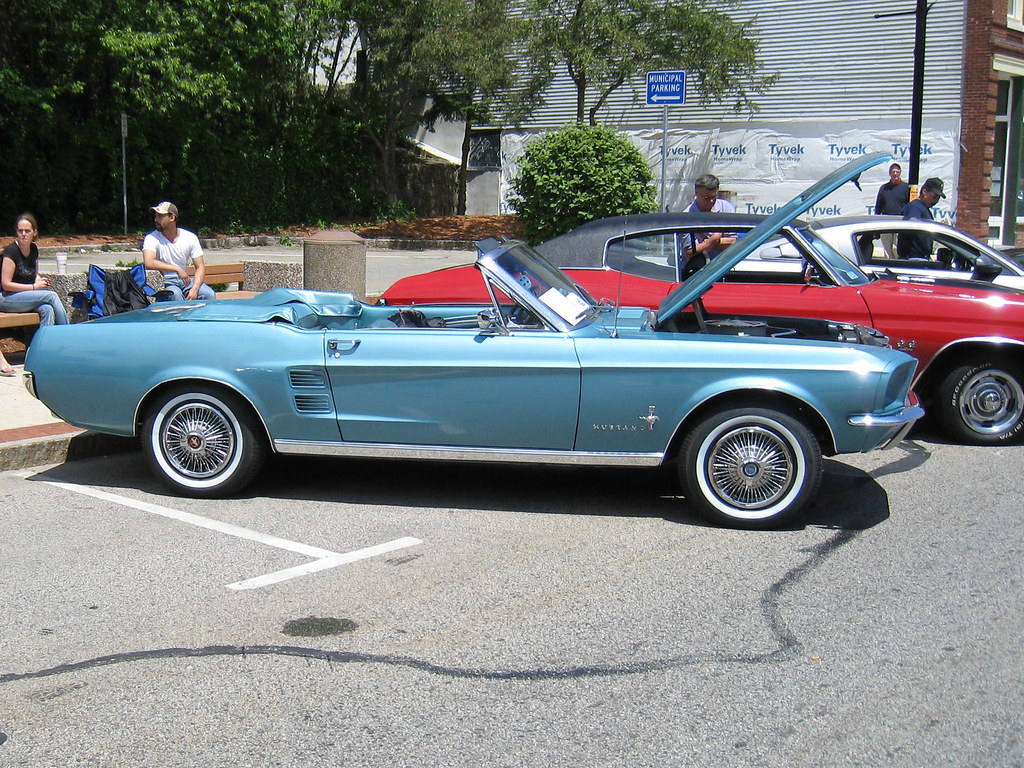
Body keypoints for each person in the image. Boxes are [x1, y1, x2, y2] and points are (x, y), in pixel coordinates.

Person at [0, 213, 70, 335]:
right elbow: (6, 284)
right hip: (6, 298)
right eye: (20, 230)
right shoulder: (11, 252)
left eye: (27, 231)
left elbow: (33, 275)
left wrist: (40, 281)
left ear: (34, 232)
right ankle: (68, 335)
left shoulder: (34, 250)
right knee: (51, 296)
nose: (23, 234)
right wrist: (33, 287)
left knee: (47, 309)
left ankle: (42, 348)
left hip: (24, 296)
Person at [142, 201, 216, 301]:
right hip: (167, 282)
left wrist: (195, 288)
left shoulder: (189, 237)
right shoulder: (151, 238)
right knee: (175, 296)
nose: (156, 219)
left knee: (209, 294)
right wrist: (177, 269)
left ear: (172, 218)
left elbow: (200, 267)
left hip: (186, 281)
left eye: (160, 216)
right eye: (156, 216)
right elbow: (149, 262)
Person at [683, 174, 736, 271]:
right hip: (697, 271)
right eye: (706, 198)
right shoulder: (687, 216)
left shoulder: (726, 208)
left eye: (714, 197)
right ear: (696, 193)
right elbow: (690, 253)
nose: (711, 201)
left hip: (721, 269)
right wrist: (715, 238)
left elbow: (733, 242)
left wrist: (704, 242)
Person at [897, 177, 945, 259]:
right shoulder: (915, 207)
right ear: (924, 192)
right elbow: (913, 228)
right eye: (934, 197)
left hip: (921, 258)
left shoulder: (922, 208)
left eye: (938, 198)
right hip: (913, 259)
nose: (936, 201)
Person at [875, 163, 910, 257]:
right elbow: (878, 207)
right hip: (886, 223)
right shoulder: (884, 188)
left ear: (900, 173)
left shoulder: (906, 188)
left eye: (897, 172)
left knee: (897, 249)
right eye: (893, 172)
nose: (895, 173)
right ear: (890, 173)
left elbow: (910, 206)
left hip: (900, 223)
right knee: (887, 250)